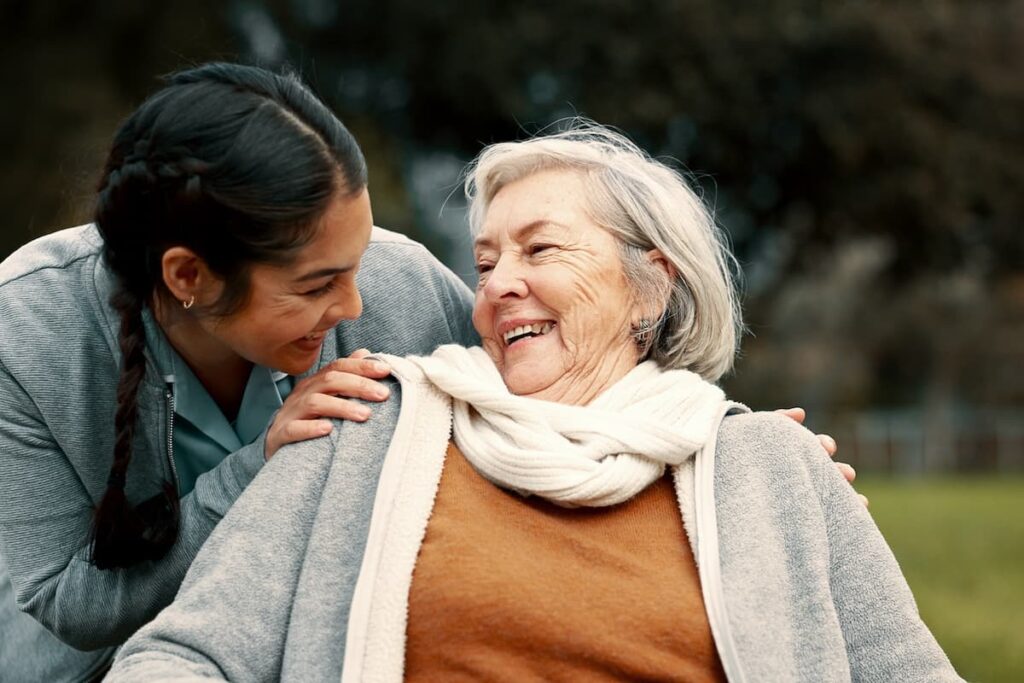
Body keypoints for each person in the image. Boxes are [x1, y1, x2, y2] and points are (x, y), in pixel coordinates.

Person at [105, 123, 960, 682]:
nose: (500, 284)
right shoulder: (370, 426)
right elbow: (185, 655)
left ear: (648, 288)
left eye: (540, 248)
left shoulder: (769, 466)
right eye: (483, 263)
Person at [0, 63, 477, 681]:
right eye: (316, 286)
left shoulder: (403, 284)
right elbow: (71, 605)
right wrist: (262, 464)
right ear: (188, 277)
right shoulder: (26, 330)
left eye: (357, 262)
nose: (354, 306)